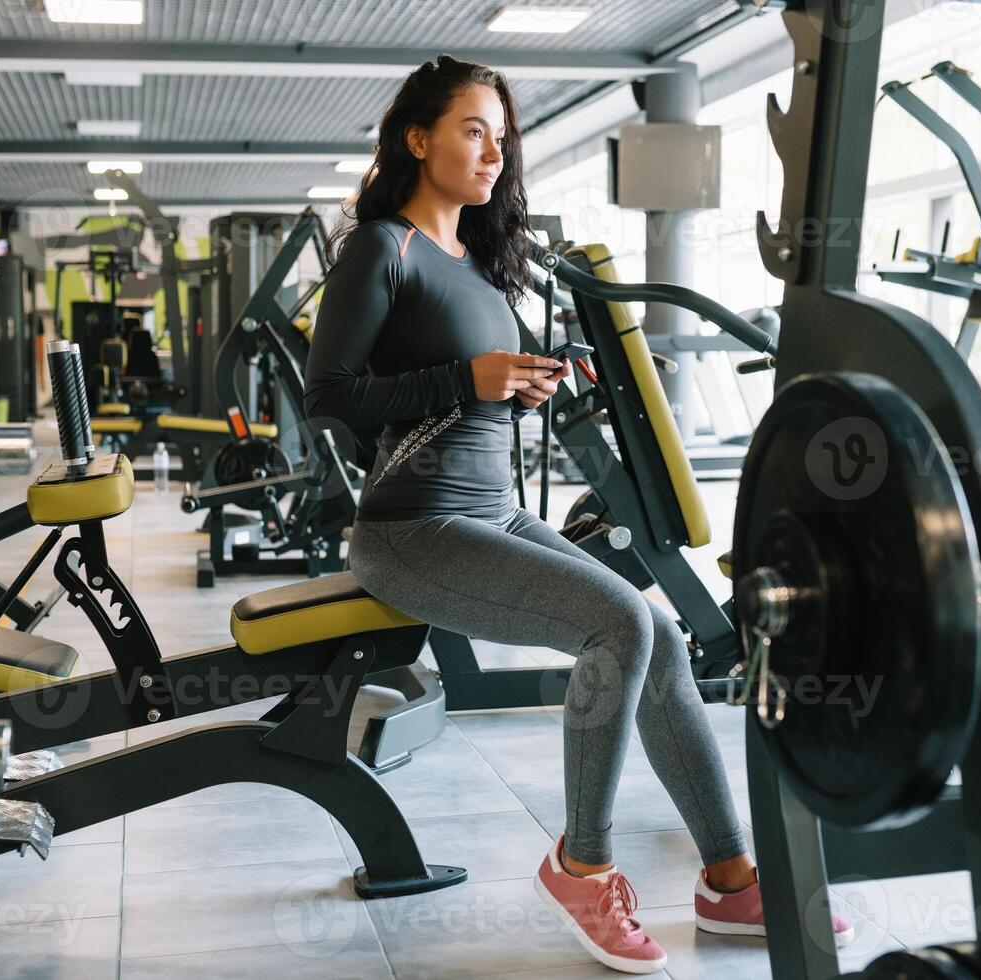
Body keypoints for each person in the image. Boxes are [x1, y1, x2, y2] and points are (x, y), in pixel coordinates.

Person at [304, 54, 852, 974]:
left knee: (663, 639)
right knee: (616, 625)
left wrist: (525, 386)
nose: (492, 152)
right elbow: (329, 396)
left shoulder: (475, 263)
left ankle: (729, 882)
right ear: (417, 137)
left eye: (500, 136)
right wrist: (463, 379)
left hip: (496, 511)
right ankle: (583, 866)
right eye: (473, 130)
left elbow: (470, 389)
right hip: (408, 530)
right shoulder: (380, 247)